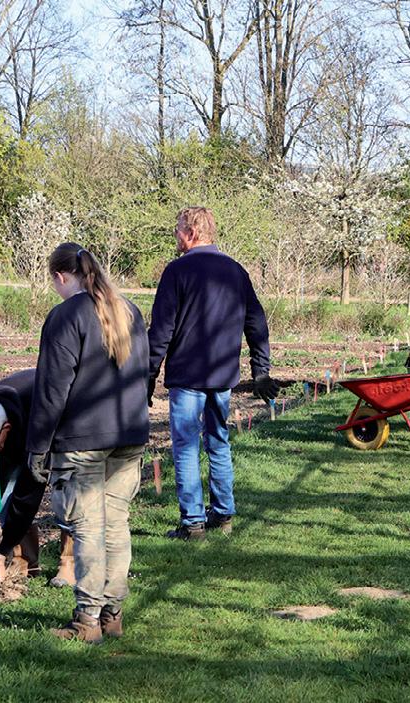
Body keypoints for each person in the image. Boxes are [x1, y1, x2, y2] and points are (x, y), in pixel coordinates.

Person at [26, 243, 152, 643]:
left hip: (83, 440)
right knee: (116, 525)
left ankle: (86, 621)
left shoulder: (66, 316)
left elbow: (52, 390)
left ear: (61, 277)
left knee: (88, 529)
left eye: (54, 283)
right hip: (129, 435)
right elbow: (144, 373)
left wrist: (38, 446)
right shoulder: (129, 311)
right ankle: (112, 615)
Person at [147, 206, 279, 541]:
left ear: (191, 233)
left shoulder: (177, 271)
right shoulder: (236, 271)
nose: (175, 235)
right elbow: (256, 323)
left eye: (178, 229)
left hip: (187, 377)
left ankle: (193, 523)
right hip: (222, 376)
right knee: (218, 442)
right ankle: (223, 513)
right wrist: (261, 370)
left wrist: (148, 376)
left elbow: (161, 331)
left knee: (186, 447)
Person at [0, 368, 74, 587]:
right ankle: (25, 562)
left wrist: (1, 553)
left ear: (7, 428)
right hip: (19, 427)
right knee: (3, 492)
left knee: (67, 493)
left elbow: (29, 493)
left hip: (61, 424)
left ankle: (69, 563)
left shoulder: (34, 420)